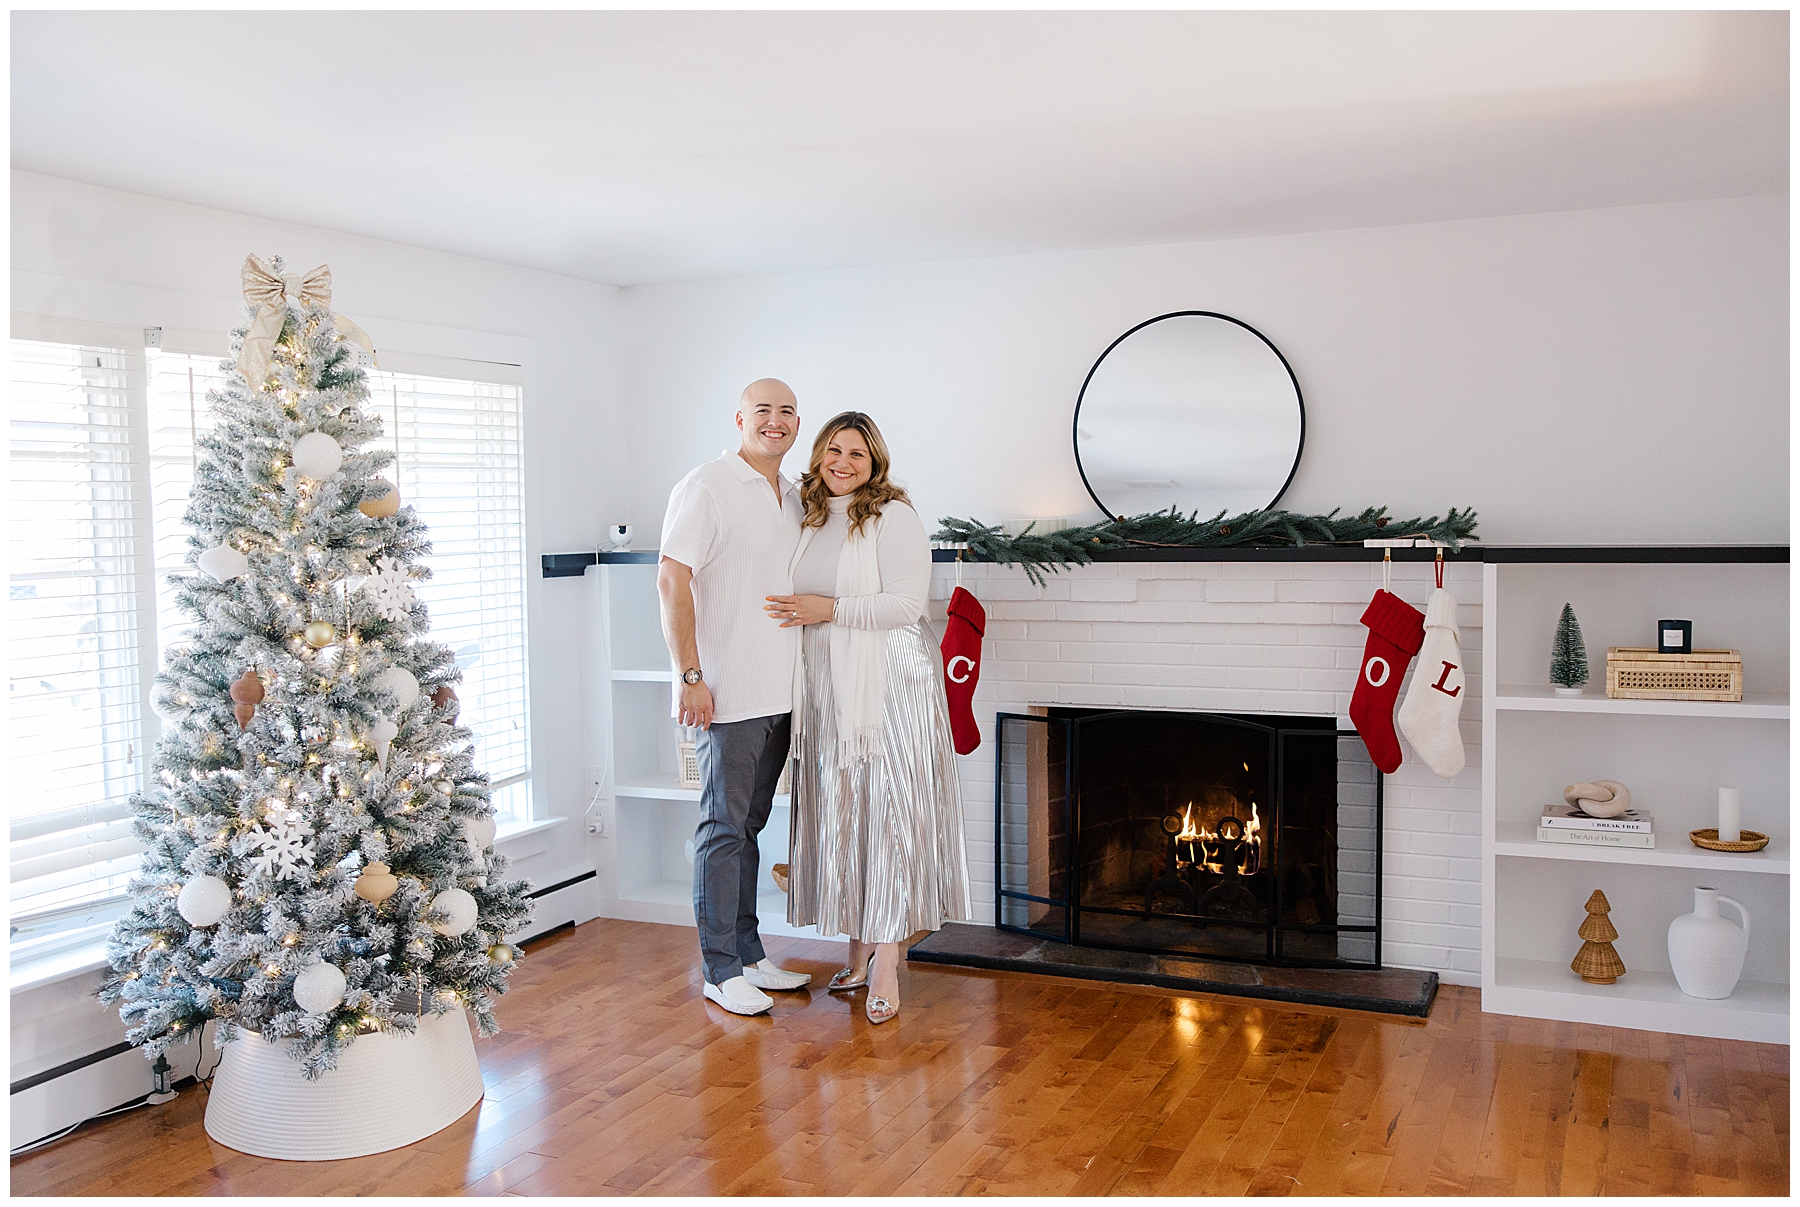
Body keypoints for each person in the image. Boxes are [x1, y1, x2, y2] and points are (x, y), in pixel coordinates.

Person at [765, 412, 972, 1024]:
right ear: (818, 455)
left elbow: (907, 605)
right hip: (827, 688)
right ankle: (855, 951)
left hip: (889, 683)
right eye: (834, 449)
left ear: (874, 461)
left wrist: (825, 609)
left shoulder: (893, 515)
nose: (843, 462)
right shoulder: (804, 515)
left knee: (888, 817)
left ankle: (887, 958)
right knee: (846, 816)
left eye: (857, 453)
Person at [657, 379, 814, 1016]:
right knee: (722, 830)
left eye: (785, 412)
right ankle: (720, 970)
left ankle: (748, 955)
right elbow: (672, 579)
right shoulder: (706, 486)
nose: (774, 422)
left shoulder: (797, 495)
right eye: (762, 411)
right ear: (741, 419)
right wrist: (690, 676)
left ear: (797, 423)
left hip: (782, 690)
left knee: (749, 827)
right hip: (725, 693)